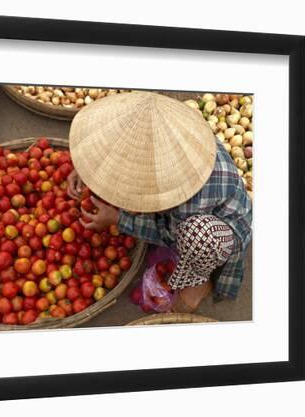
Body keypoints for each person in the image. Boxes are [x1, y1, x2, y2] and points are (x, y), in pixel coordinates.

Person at [66, 91, 252, 312]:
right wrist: (88, 170)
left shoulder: (189, 201)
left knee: (197, 237)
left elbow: (169, 235)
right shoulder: (173, 137)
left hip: (216, 230)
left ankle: (199, 281)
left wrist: (118, 218)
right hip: (189, 199)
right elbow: (113, 147)